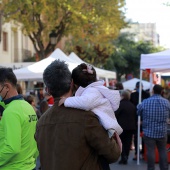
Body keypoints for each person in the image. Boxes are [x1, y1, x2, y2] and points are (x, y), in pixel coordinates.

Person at [35, 60, 121, 170]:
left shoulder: (41, 122)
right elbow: (113, 154)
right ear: (72, 83)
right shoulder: (86, 116)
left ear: (48, 90)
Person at [60, 63, 122, 138]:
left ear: (74, 84)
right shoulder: (94, 90)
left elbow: (86, 103)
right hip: (106, 129)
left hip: (107, 130)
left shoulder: (92, 91)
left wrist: (66, 100)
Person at [0, 68, 38, 170]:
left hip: (12, 167)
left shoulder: (10, 112)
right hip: (30, 165)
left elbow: (12, 148)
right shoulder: (28, 107)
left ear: (6, 87)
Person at [137, 84, 170, 170]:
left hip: (149, 131)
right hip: (162, 131)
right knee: (163, 151)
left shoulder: (145, 101)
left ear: (152, 91)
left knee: (150, 151)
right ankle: (164, 168)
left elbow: (138, 112)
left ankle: (151, 168)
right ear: (162, 91)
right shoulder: (166, 102)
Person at [115, 90, 136, 164]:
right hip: (131, 127)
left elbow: (115, 115)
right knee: (128, 143)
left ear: (122, 96)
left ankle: (123, 156)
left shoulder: (120, 105)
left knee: (120, 142)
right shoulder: (132, 105)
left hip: (121, 127)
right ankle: (126, 156)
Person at [130, 81, 150, 160]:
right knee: (136, 137)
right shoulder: (133, 95)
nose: (139, 88)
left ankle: (143, 152)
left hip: (144, 118)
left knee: (144, 137)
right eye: (138, 87)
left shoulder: (146, 94)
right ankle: (137, 153)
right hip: (136, 118)